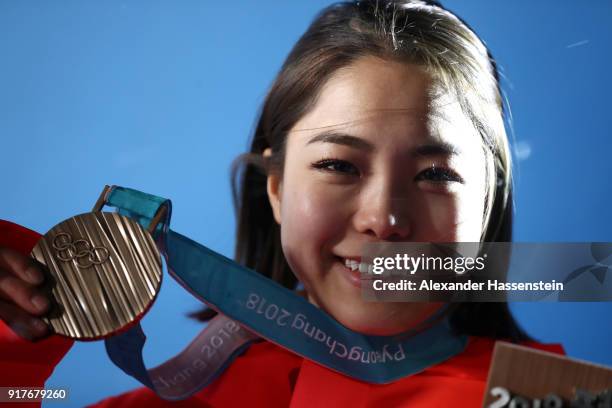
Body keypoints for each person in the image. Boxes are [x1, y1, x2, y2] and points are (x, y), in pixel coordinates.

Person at [0, 1, 564, 406]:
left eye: (436, 174)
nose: (383, 220)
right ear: (274, 188)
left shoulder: (560, 398)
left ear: (490, 205)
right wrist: (10, 353)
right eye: (339, 165)